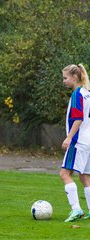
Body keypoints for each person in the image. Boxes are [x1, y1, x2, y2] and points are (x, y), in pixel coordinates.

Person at [60, 64, 90, 222]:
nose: (64, 81)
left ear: (74, 77)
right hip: (88, 141)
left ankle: (76, 209)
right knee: (85, 176)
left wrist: (69, 137)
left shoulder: (77, 94)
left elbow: (79, 118)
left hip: (78, 141)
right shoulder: (88, 93)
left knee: (64, 174)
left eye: (65, 78)